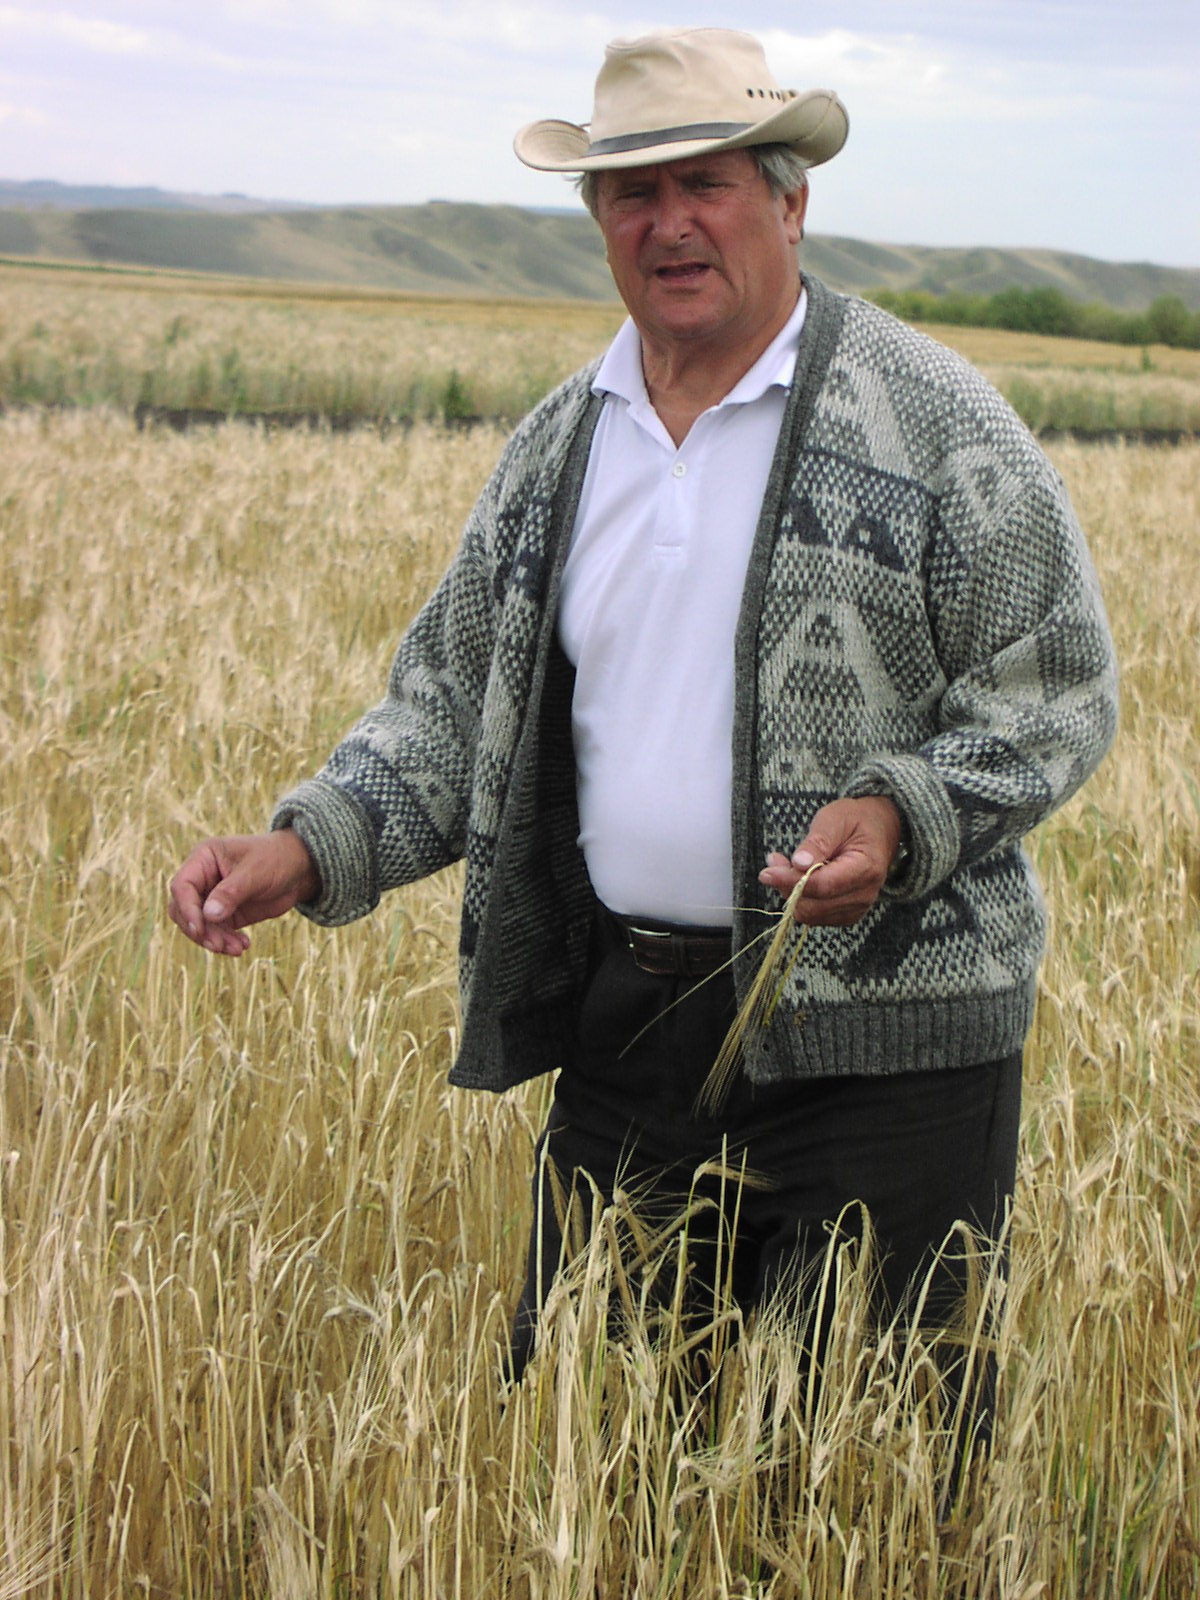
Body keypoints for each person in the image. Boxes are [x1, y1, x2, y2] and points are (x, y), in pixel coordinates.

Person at [169, 28, 1117, 1468]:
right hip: (628, 1032)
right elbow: (451, 705)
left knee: (870, 1486)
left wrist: (904, 813)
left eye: (708, 183)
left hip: (890, 1063)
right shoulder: (564, 446)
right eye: (633, 192)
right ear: (599, 220)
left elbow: (1055, 688)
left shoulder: (940, 427)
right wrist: (307, 846)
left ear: (790, 202)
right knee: (596, 1469)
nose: (670, 222)